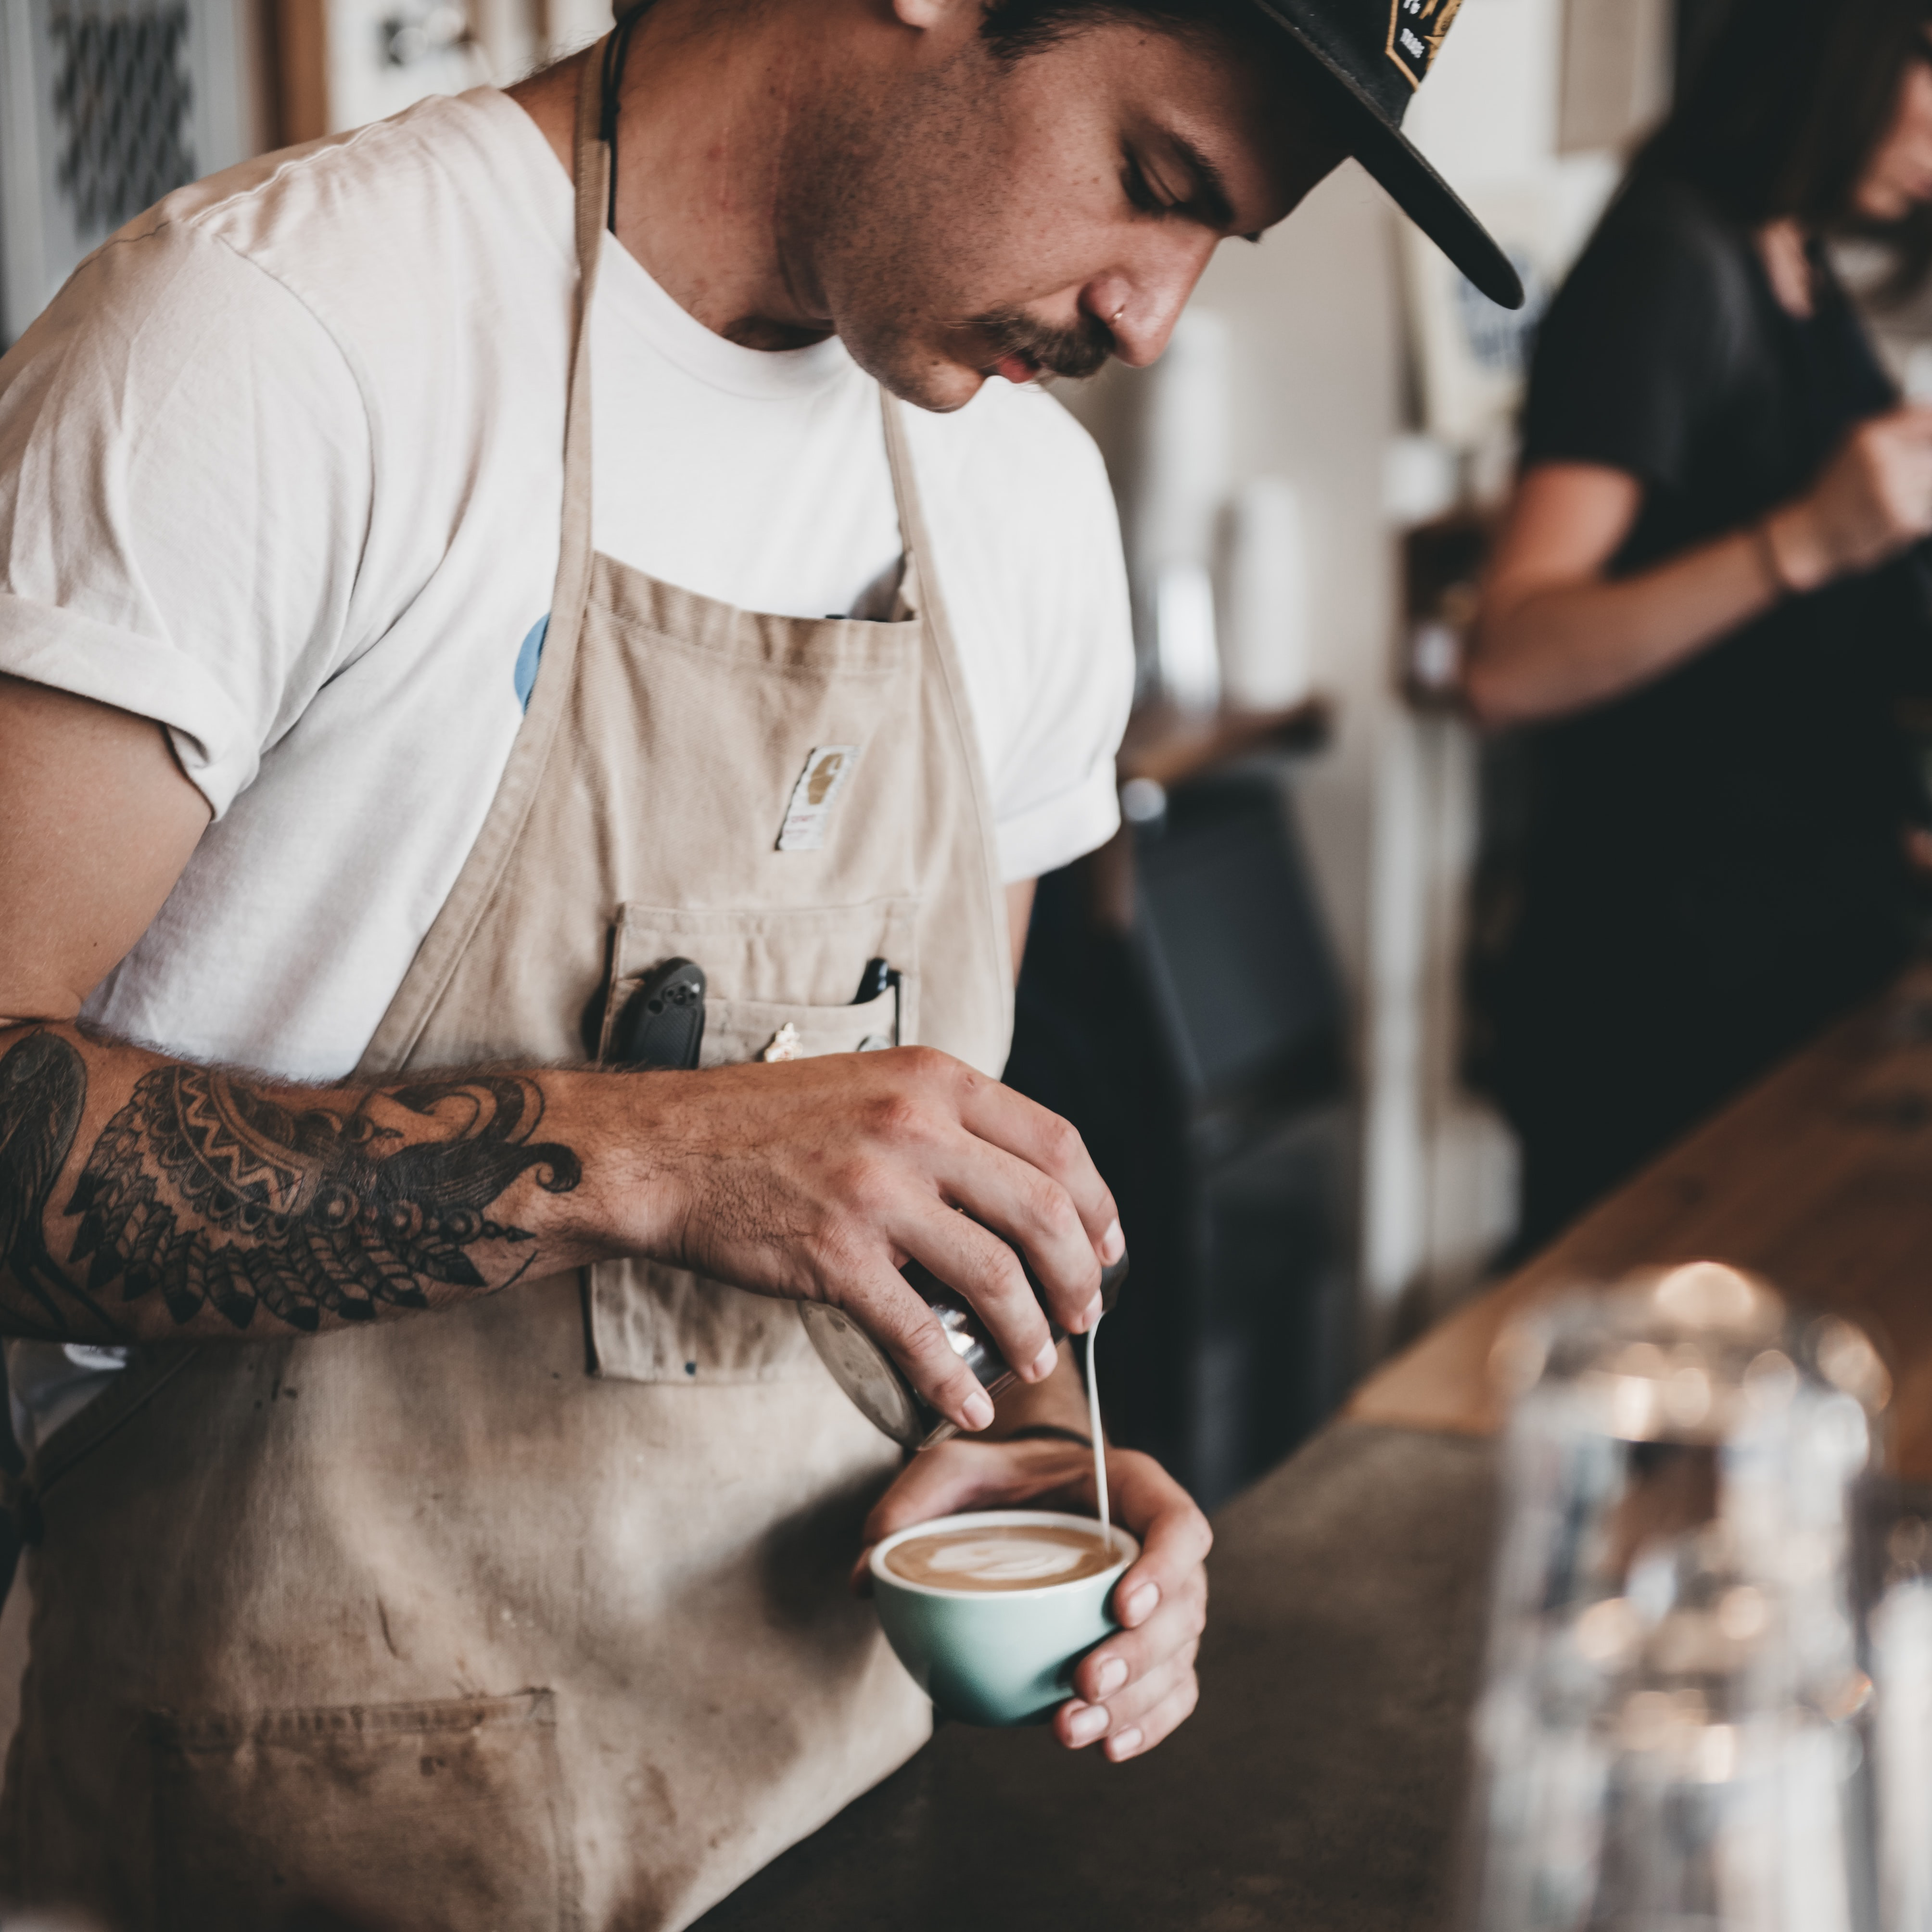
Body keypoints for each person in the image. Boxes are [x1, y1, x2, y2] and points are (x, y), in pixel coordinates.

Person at [0, 0, 1513, 1921]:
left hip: (831, 1823)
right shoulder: (273, 344)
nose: (1150, 315)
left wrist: (1037, 1451)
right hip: (279, 1833)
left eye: (1216, 240)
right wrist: (646, 1152)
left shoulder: (1026, 510)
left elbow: (946, 1185)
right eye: (1148, 182)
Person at [1466, 0, 1932, 1256]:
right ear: (1842, 49)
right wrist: (1806, 541)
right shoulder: (1672, 261)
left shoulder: (1793, 260)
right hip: (1661, 998)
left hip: (1800, 966)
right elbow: (1509, 660)